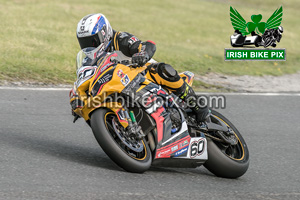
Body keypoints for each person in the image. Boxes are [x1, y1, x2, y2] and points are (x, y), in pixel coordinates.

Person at [72, 13, 209, 123]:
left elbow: (147, 45)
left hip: (142, 75)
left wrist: (142, 53)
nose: (89, 46)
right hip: (118, 88)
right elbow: (84, 81)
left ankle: (197, 104)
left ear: (104, 33)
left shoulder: (119, 39)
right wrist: (77, 101)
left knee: (162, 70)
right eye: (84, 42)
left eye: (92, 40)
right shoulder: (89, 59)